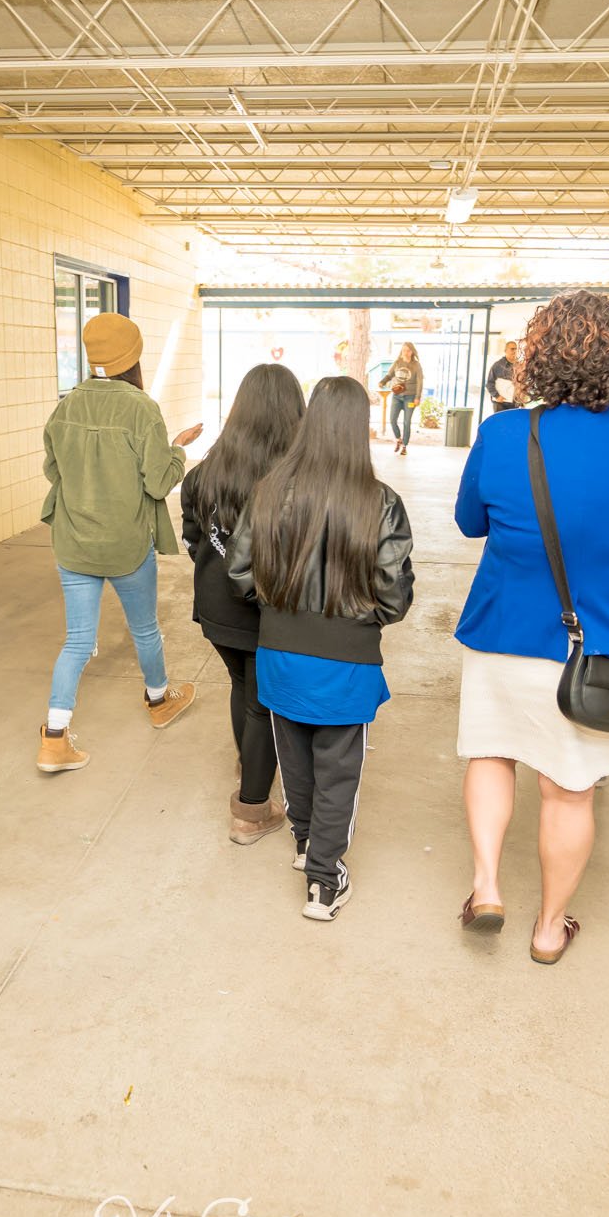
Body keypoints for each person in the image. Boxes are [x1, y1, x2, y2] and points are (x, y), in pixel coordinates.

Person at [453, 291, 609, 964]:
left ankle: (487, 886)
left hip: (508, 632)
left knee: (492, 753)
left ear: (538, 359)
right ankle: (550, 927)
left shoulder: (505, 434)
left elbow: (472, 522)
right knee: (570, 788)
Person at [226, 376, 413, 920]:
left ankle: (306, 845)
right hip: (346, 659)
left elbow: (239, 571)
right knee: (338, 772)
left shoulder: (268, 490)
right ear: (359, 428)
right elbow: (393, 595)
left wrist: (282, 603)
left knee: (297, 762)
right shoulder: (381, 502)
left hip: (279, 651)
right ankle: (324, 882)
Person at [36, 313, 202, 773]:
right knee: (144, 629)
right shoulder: (141, 408)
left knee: (76, 641)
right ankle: (158, 701)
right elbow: (158, 482)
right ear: (133, 357)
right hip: (126, 544)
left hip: (73, 543)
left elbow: (54, 470)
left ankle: (54, 736)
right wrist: (179, 448)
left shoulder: (66, 406)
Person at [181, 363, 306, 844]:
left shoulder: (207, 472)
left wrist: (216, 563)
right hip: (267, 609)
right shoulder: (292, 479)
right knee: (262, 704)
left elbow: (195, 537)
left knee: (243, 688)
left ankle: (249, 761)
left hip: (215, 606)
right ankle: (251, 810)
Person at [378, 342, 424, 455]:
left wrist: (417, 397)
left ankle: (404, 446)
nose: (405, 352)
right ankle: (398, 439)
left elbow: (420, 382)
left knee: (407, 422)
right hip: (397, 396)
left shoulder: (416, 365)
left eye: (408, 350)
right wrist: (383, 382)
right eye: (403, 350)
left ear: (412, 352)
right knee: (392, 420)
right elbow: (389, 375)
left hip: (411, 397)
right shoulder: (397, 362)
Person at [484, 339, 521, 412]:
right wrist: (497, 396)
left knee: (512, 423)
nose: (515, 351)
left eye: (516, 349)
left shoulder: (520, 366)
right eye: (512, 349)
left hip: (515, 403)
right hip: (500, 403)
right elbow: (489, 383)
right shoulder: (497, 365)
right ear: (505, 351)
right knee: (500, 423)